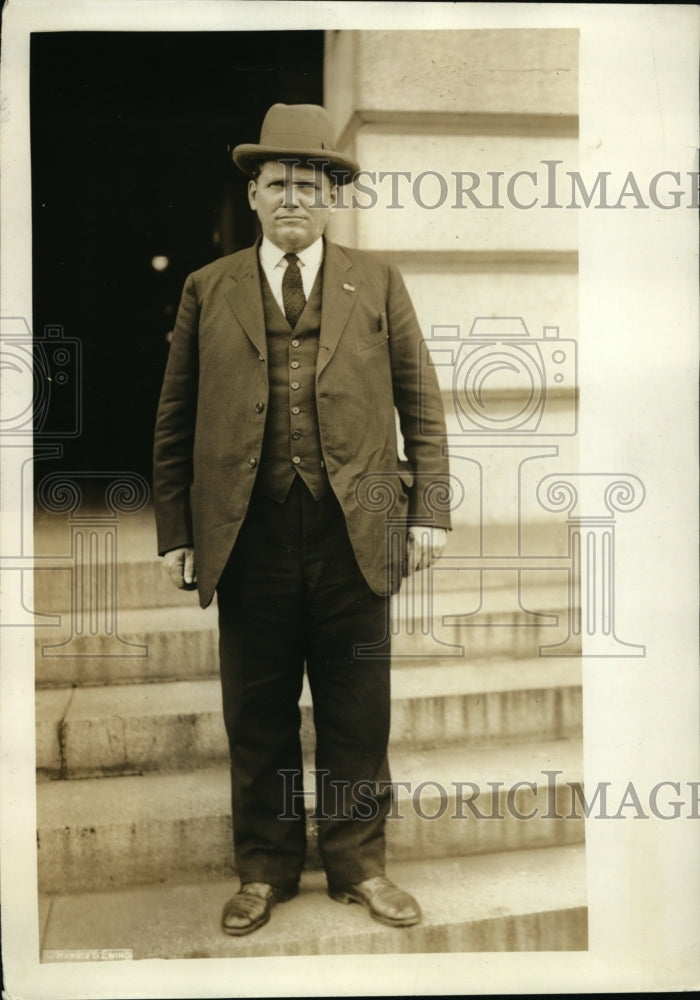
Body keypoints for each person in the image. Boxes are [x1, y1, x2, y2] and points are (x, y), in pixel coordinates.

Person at [153, 103, 451, 937]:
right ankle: (264, 869)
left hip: (357, 530)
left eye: (310, 183)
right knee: (257, 708)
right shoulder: (206, 289)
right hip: (247, 535)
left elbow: (423, 406)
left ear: (331, 197)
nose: (293, 197)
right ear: (253, 195)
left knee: (359, 705)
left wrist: (430, 511)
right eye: (278, 183)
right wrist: (177, 528)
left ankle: (360, 864)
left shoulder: (380, 283)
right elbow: (174, 419)